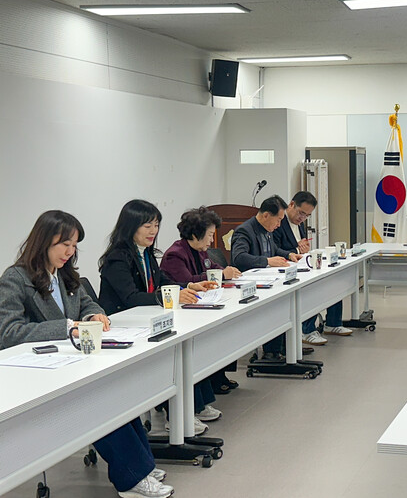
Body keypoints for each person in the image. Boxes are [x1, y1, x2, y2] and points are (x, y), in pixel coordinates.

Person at [0, 211, 173, 498]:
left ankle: (141, 466)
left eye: (74, 245)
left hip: (73, 362)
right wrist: (66, 327)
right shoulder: (16, 278)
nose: (69, 252)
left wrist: (94, 315)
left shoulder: (65, 275)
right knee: (99, 400)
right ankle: (132, 478)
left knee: (117, 391)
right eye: (63, 244)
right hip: (39, 373)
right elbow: (8, 332)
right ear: (43, 241)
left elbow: (89, 304)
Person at [99, 199, 215, 435]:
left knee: (183, 348)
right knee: (170, 355)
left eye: (156, 225)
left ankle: (187, 408)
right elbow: (131, 298)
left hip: (145, 321)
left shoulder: (146, 253)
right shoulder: (118, 258)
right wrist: (170, 296)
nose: (153, 231)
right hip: (122, 327)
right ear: (131, 226)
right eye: (147, 226)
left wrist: (188, 286)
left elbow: (163, 281)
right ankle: (178, 414)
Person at [161, 206, 242, 414]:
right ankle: (195, 404)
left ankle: (212, 386)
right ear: (196, 234)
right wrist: (220, 275)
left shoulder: (200, 251)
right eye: (210, 235)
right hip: (179, 313)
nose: (211, 240)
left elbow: (212, 268)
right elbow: (187, 281)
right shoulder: (175, 255)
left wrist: (224, 271)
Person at [273, 191, 352, 345]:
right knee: (314, 287)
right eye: (301, 213)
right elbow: (275, 249)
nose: (302, 218)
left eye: (307, 216)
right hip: (285, 269)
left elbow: (302, 246)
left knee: (333, 279)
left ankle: (333, 323)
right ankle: (306, 330)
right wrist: (297, 250)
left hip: (302, 265)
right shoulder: (279, 222)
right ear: (291, 205)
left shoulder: (300, 224)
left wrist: (304, 249)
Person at [231, 195, 302, 358]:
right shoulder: (245, 230)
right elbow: (239, 257)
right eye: (278, 220)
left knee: (285, 299)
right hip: (249, 286)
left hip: (268, 281)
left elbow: (273, 249)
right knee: (277, 305)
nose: (279, 225)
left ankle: (284, 348)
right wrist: (267, 261)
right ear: (266, 215)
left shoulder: (267, 230)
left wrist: (289, 254)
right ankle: (272, 352)